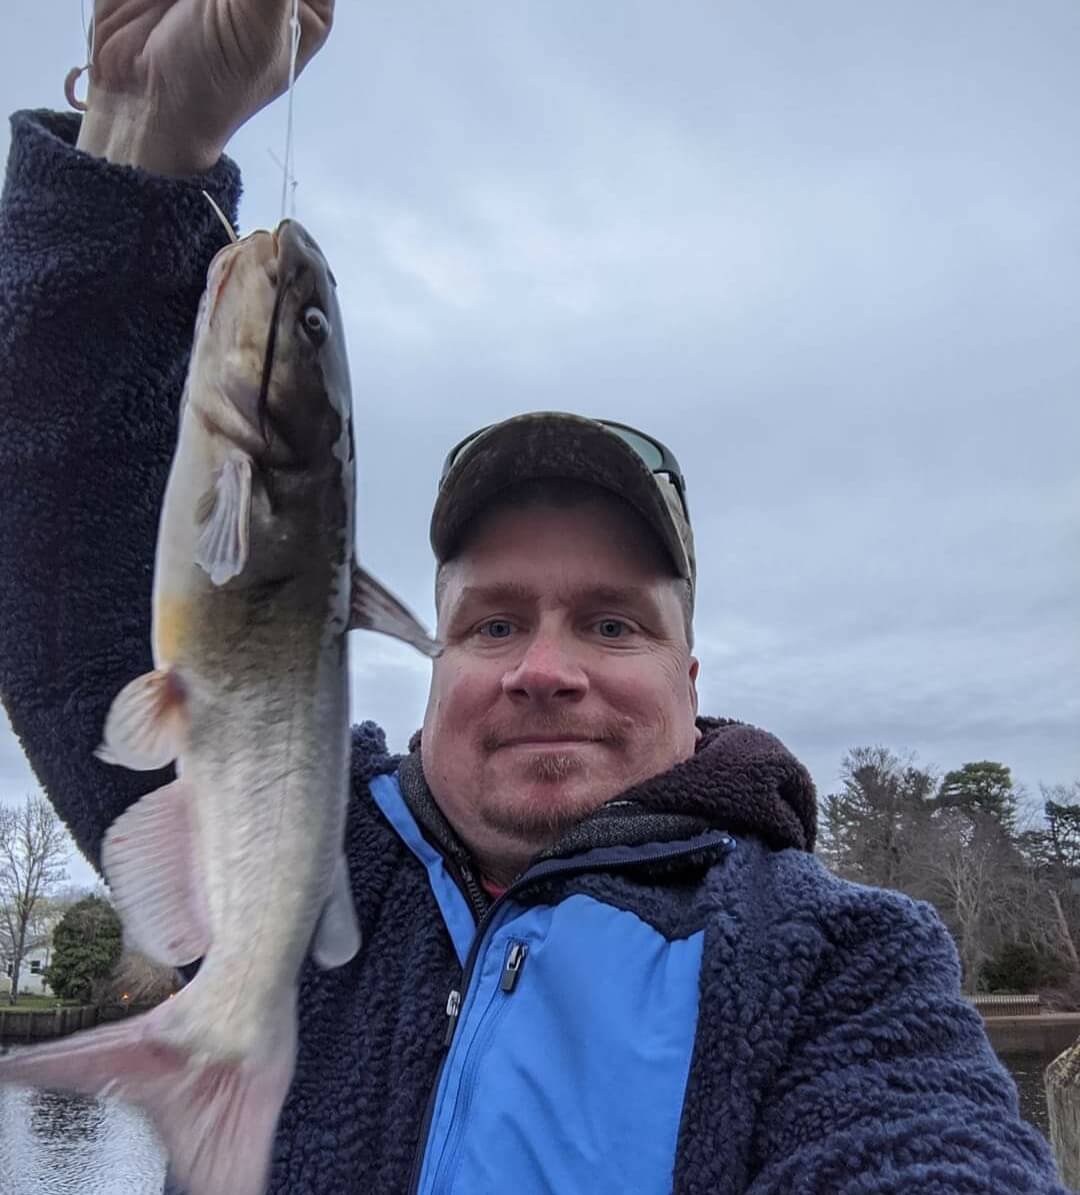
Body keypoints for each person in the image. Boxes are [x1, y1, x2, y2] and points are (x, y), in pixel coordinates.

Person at [0, 3, 1066, 1193]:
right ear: (433, 656)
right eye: (494, 621)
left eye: (612, 621)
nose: (544, 666)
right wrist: (146, 125)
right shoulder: (308, 839)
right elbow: (59, 529)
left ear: (692, 678)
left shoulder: (842, 965)